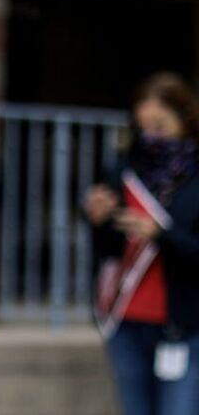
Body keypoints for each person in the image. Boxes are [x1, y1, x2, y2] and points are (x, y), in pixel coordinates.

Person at [85, 73, 199, 415]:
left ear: (184, 119)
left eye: (160, 126)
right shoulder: (125, 169)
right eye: (144, 127)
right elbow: (107, 251)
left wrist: (161, 234)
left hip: (184, 323)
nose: (151, 137)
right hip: (127, 320)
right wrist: (98, 219)